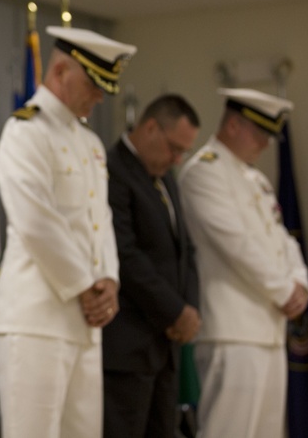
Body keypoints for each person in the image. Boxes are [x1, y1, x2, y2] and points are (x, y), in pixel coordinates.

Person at [0, 25, 136, 438]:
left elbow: (100, 219)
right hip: (36, 317)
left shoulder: (89, 143)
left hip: (83, 321)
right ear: (59, 72)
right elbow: (36, 222)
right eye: (93, 84)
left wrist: (108, 278)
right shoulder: (25, 132)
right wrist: (87, 285)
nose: (100, 96)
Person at [178, 88, 308, 438]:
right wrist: (284, 291)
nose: (266, 144)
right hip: (232, 331)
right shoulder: (203, 172)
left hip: (268, 329)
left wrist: (300, 281)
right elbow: (237, 245)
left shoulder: (256, 181)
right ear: (233, 125)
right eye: (260, 133)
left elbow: (283, 240)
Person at [102, 94, 201, 438]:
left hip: (164, 345)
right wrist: (175, 311)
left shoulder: (164, 176)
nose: (177, 159)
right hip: (128, 346)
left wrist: (190, 309)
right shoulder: (112, 169)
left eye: (183, 152)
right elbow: (125, 254)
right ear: (150, 128)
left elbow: (185, 250)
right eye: (174, 148)